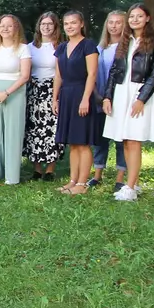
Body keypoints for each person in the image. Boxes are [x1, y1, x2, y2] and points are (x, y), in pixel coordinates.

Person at [102, 3, 154, 202]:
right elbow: (114, 71)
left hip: (139, 92)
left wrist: (141, 99)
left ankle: (129, 187)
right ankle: (133, 183)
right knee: (126, 140)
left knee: (134, 139)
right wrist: (107, 96)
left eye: (139, 16)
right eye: (132, 17)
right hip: (122, 92)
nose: (135, 20)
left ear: (147, 18)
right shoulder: (125, 40)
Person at [0, 14, 31, 184]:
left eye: (9, 26)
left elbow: (25, 76)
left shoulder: (23, 48)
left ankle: (11, 176)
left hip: (14, 93)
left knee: (12, 132)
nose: (5, 29)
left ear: (16, 28)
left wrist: (6, 93)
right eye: (2, 26)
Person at [54, 11, 100, 194]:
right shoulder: (61, 47)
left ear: (81, 24)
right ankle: (72, 181)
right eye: (66, 23)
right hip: (66, 95)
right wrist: (54, 98)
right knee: (72, 142)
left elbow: (92, 74)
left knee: (83, 142)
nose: (70, 26)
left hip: (82, 93)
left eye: (73, 23)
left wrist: (85, 99)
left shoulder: (88, 45)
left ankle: (82, 184)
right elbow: (58, 75)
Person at [24, 12, 64, 181]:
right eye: (43, 24)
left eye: (49, 24)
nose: (46, 27)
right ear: (38, 26)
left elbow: (60, 71)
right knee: (34, 128)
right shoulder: (31, 47)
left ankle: (50, 168)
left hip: (53, 89)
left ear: (55, 26)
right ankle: (37, 168)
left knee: (51, 128)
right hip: (34, 90)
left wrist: (56, 96)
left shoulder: (60, 46)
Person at [90, 10, 127, 189]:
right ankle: (97, 174)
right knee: (100, 138)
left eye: (118, 22)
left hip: (120, 99)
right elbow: (93, 74)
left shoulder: (128, 48)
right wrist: (99, 96)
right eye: (111, 22)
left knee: (120, 139)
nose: (114, 26)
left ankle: (120, 178)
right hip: (101, 99)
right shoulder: (100, 49)